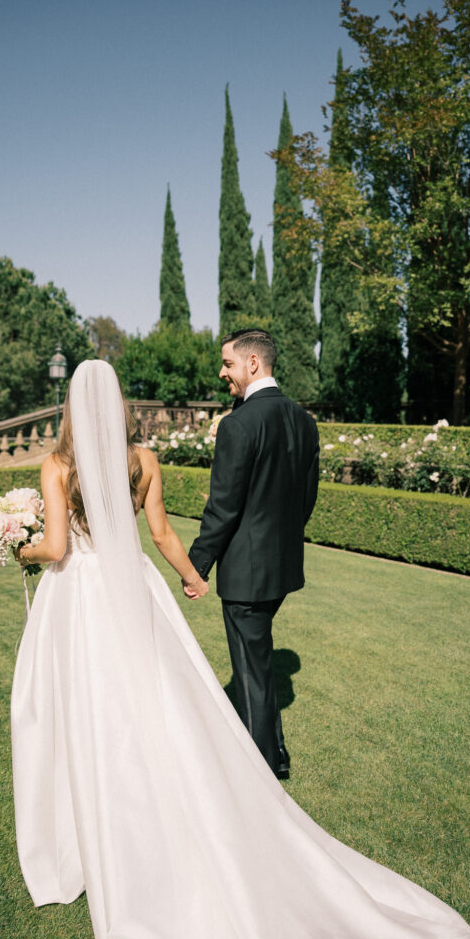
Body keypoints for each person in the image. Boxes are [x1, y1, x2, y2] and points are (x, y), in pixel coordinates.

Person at [11, 359, 470, 939]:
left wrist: (15, 545)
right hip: (134, 591)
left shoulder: (58, 466)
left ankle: (99, 827)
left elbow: (55, 548)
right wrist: (190, 578)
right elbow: (160, 534)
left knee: (85, 708)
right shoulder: (143, 461)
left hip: (78, 598)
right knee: (157, 700)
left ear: (70, 408)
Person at [187, 328, 319, 780]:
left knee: (250, 673)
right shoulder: (304, 421)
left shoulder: (237, 424)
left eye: (227, 363)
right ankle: (275, 754)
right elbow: (306, 499)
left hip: (246, 574)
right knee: (259, 665)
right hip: (281, 569)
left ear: (253, 364)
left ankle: (261, 770)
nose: (222, 372)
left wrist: (195, 565)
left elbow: (222, 508)